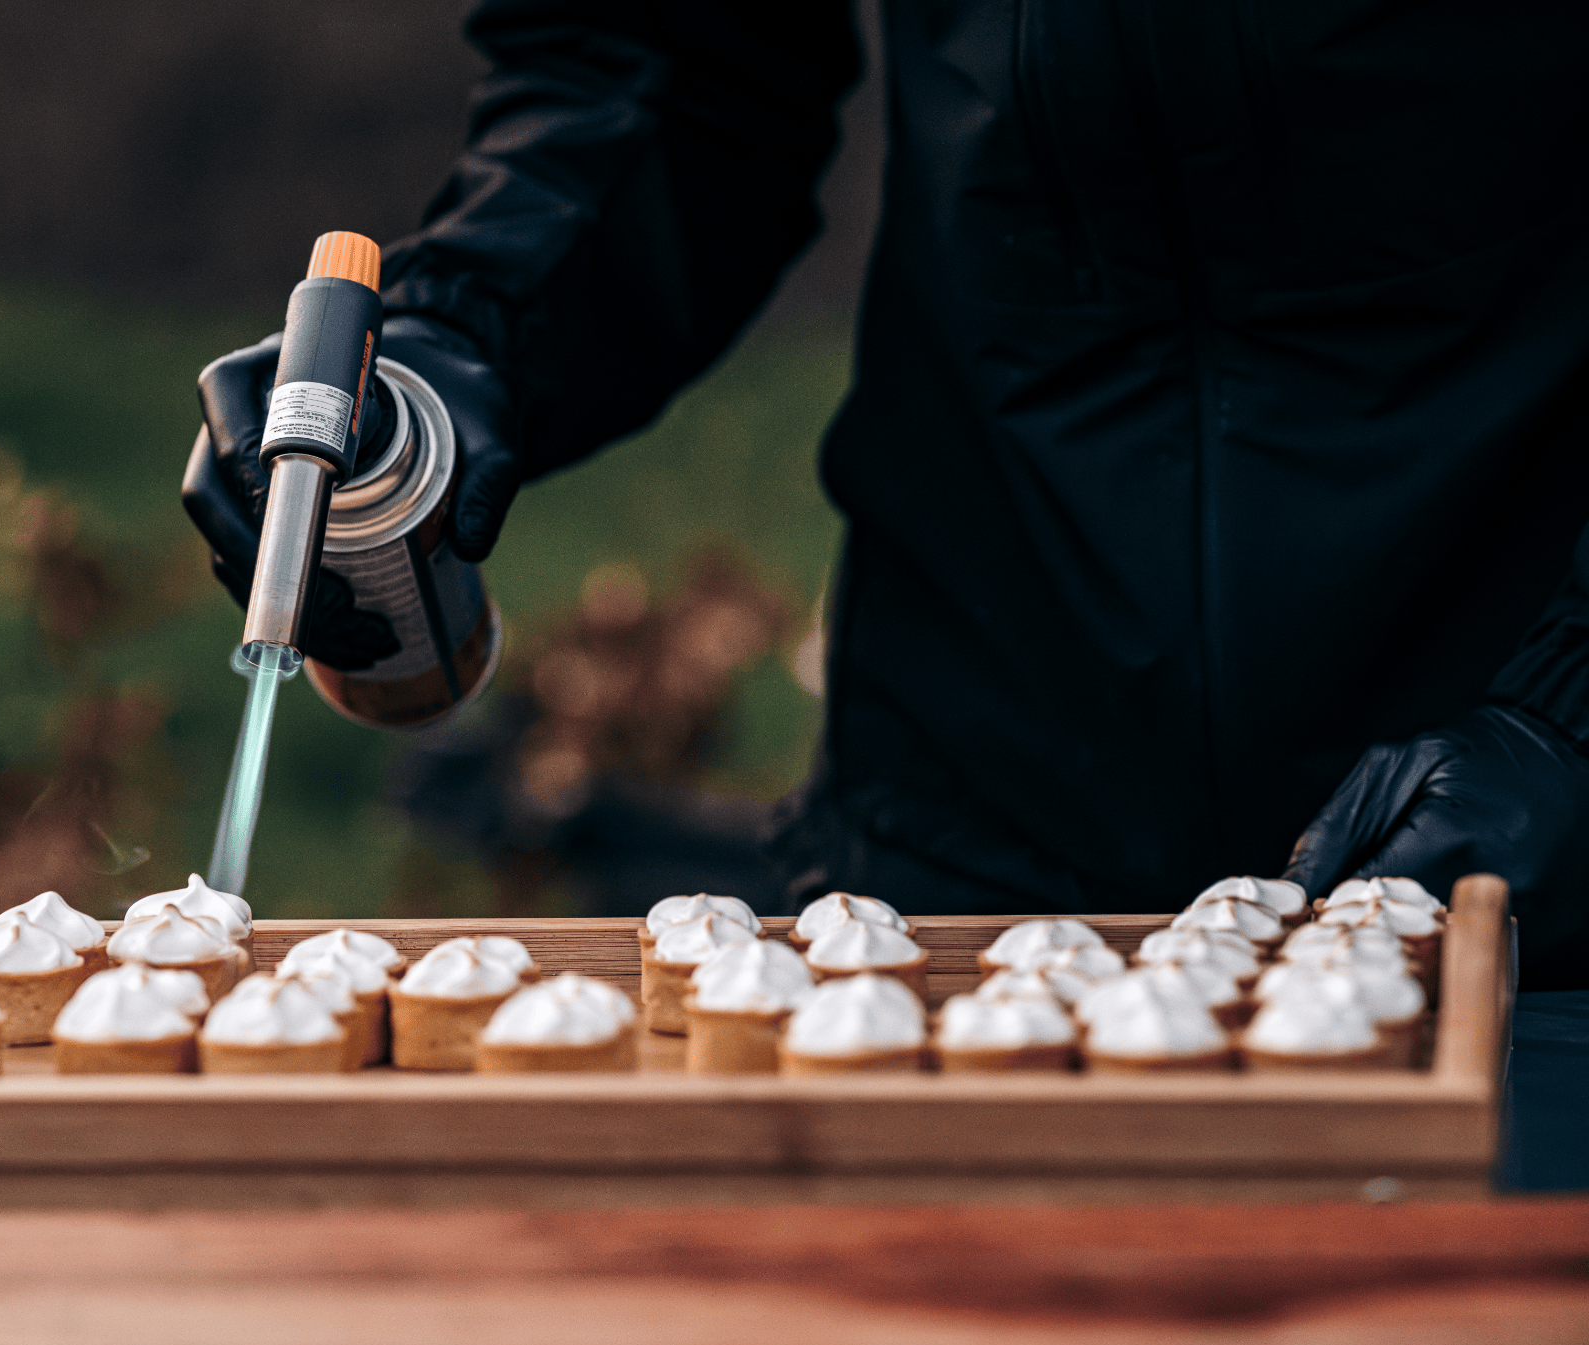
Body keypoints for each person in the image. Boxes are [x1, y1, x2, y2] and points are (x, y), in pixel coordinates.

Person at [189, 1, 1589, 988]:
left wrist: (1573, 709)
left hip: (1521, 858)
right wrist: (467, 338)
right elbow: (671, 56)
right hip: (968, 801)